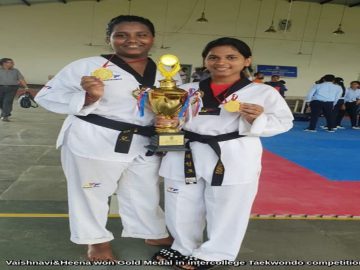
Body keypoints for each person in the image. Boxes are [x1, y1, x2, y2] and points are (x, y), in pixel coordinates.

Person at [35, 15, 173, 261]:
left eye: (141, 34)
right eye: (122, 35)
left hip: (144, 141)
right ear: (109, 39)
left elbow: (172, 106)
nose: (132, 40)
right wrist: (89, 98)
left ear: (152, 38)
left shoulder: (166, 71)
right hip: (96, 138)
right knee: (92, 191)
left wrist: (169, 121)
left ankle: (151, 230)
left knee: (144, 189)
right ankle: (95, 240)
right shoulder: (86, 65)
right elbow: (45, 96)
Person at [152, 37, 293, 269]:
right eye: (213, 57)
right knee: (180, 203)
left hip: (233, 153)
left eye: (231, 57)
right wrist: (166, 121)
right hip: (186, 150)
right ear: (205, 61)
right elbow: (171, 119)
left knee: (228, 207)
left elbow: (284, 123)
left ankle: (215, 253)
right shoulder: (186, 90)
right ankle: (183, 247)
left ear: (247, 61)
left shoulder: (262, 92)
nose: (221, 62)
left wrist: (258, 118)